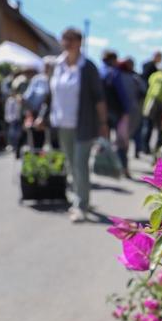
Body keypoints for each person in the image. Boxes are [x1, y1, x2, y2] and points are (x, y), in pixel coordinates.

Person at [48, 27, 108, 222]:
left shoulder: (88, 67)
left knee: (80, 165)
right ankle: (82, 198)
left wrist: (103, 122)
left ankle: (80, 205)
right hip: (62, 122)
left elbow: (99, 97)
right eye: (64, 38)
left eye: (71, 39)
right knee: (71, 164)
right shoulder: (57, 65)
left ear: (79, 42)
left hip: (84, 124)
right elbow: (53, 94)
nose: (66, 42)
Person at [17, 56, 54, 155]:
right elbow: (27, 95)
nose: (46, 69)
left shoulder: (56, 79)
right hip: (36, 113)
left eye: (49, 66)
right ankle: (38, 163)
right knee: (36, 142)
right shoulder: (38, 79)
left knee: (53, 143)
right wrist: (22, 100)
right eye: (45, 66)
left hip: (51, 114)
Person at [116, 57, 142, 177]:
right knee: (124, 142)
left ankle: (122, 167)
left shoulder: (116, 76)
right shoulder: (134, 78)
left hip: (122, 114)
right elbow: (143, 90)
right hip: (131, 113)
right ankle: (123, 167)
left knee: (122, 142)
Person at [138, 52, 162, 154]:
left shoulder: (153, 67)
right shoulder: (149, 66)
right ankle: (144, 147)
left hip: (149, 98)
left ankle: (144, 147)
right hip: (148, 99)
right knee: (147, 125)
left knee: (147, 125)